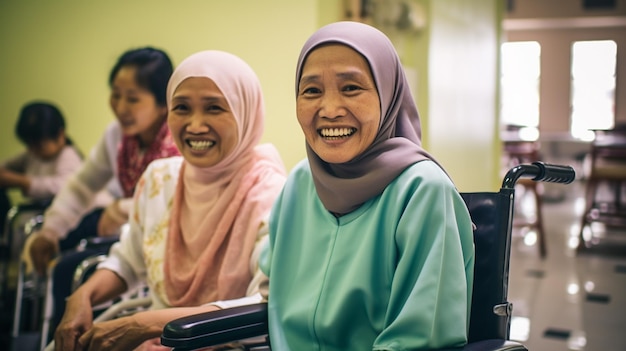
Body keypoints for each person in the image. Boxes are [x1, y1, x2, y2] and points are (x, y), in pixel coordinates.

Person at [256, 21, 475, 350]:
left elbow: (420, 339)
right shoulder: (299, 184)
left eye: (351, 88)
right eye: (312, 91)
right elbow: (268, 293)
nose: (329, 111)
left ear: (388, 95)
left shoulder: (421, 191)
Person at [53, 50, 287, 351]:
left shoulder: (270, 194)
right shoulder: (159, 180)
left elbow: (263, 305)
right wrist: (80, 298)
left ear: (246, 112)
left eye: (214, 108)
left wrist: (143, 325)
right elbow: (127, 260)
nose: (195, 125)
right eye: (182, 107)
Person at [22, 47, 181, 337]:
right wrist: (50, 231)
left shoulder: (178, 138)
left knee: (69, 271)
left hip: (162, 245)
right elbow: (82, 184)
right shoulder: (117, 136)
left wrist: (122, 209)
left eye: (133, 98)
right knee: (63, 257)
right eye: (116, 94)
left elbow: (176, 202)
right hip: (127, 239)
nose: (121, 107)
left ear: (163, 103)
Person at [0, 101, 82, 234]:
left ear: (60, 135)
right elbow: (5, 167)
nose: (34, 151)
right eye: (29, 145)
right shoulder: (32, 154)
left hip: (60, 222)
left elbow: (63, 186)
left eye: (39, 146)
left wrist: (22, 182)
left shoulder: (68, 156)